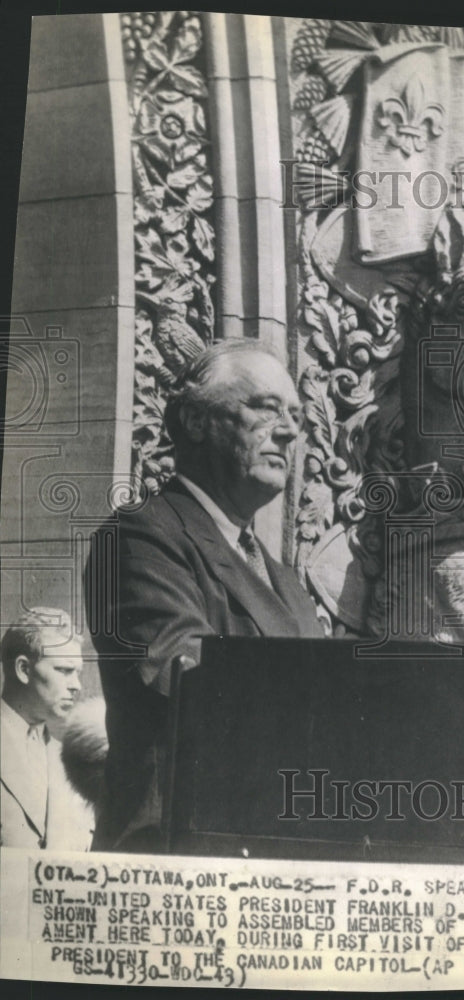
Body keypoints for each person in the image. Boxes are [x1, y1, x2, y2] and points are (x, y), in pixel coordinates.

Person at [85, 342, 324, 851]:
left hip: (280, 854)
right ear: (194, 420)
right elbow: (187, 681)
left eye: (297, 416)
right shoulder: (138, 537)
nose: (288, 431)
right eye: (266, 408)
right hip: (176, 855)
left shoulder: (288, 585)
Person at [0, 609, 95, 850]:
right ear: (23, 669)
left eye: (78, 673)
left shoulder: (74, 764)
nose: (76, 686)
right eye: (63, 670)